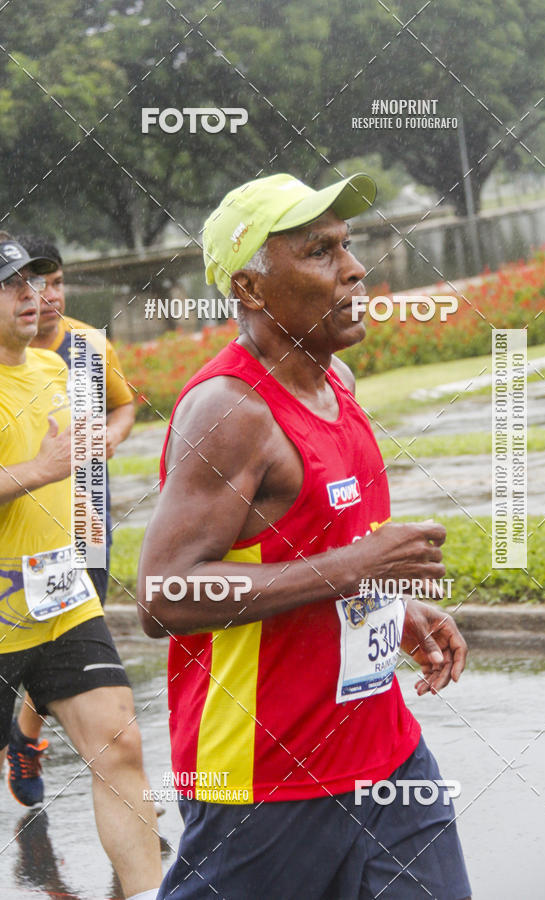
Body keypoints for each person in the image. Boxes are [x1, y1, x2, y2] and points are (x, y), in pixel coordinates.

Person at [139, 173, 471, 899]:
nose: (353, 269)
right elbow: (162, 595)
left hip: (386, 758)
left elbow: (320, 545)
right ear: (252, 291)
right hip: (265, 783)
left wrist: (390, 607)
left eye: (348, 246)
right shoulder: (229, 413)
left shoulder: (338, 379)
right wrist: (354, 567)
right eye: (319, 251)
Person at [0, 234, 161, 900]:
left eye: (38, 283)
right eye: (14, 286)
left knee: (119, 743)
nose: (33, 297)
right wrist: (40, 471)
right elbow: (42, 463)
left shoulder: (55, 370)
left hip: (60, 596)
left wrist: (71, 513)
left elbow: (61, 465)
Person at [6, 235, 135, 808]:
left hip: (83, 518)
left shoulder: (83, 347)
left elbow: (122, 406)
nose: (44, 296)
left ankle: (31, 742)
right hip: (16, 545)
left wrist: (106, 436)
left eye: (53, 283)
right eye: (30, 284)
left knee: (68, 636)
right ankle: (27, 741)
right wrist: (38, 468)